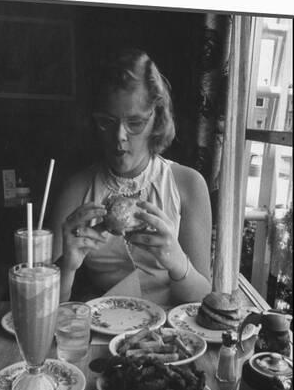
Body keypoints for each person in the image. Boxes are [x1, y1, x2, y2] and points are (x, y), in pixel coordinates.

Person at [52, 48, 212, 306]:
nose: (119, 137)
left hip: (169, 334)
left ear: (157, 119)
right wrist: (67, 268)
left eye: (135, 123)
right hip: (101, 326)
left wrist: (178, 262)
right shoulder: (76, 188)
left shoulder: (189, 185)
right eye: (107, 121)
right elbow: (44, 305)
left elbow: (203, 301)